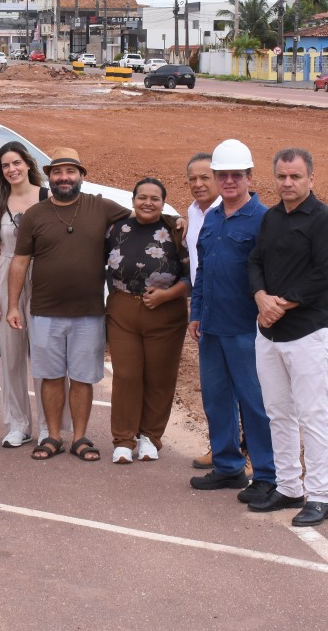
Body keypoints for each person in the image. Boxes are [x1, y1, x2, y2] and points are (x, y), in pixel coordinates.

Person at [7, 148, 129, 462]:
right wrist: (12, 305)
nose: (64, 177)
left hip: (88, 311)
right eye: (58, 172)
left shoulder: (100, 207)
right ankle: (52, 437)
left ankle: (80, 437)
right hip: (45, 310)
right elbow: (20, 262)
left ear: (81, 176)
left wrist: (176, 221)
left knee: (82, 377)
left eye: (70, 171)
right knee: (50, 376)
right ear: (49, 177)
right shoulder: (35, 214)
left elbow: (140, 218)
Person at [248, 147, 328, 527]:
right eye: (282, 177)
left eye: (295, 177)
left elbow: (322, 276)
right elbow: (254, 261)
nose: (287, 183)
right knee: (278, 413)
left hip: (308, 333)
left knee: (312, 416)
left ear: (311, 179)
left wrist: (280, 305)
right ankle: (289, 487)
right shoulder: (271, 218)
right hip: (269, 334)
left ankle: (320, 496)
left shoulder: (326, 222)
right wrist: (260, 298)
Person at [187, 140, 278, 507]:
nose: (228, 181)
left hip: (247, 330)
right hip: (211, 326)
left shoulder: (263, 219)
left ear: (249, 177)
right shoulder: (211, 217)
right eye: (222, 175)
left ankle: (267, 475)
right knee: (216, 399)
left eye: (235, 175)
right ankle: (228, 466)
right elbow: (204, 269)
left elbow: (272, 273)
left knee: (255, 403)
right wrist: (196, 313)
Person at [104, 177, 191, 464]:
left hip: (165, 313)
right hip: (123, 310)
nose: (148, 202)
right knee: (127, 375)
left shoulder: (176, 231)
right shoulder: (117, 229)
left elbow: (193, 277)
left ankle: (150, 438)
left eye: (155, 198)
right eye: (142, 197)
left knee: (159, 378)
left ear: (163, 203)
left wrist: (166, 296)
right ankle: (123, 440)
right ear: (133, 200)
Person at [0, 141, 66, 448]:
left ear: (27, 164)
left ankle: (49, 425)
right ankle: (18, 423)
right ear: (0, 171)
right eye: (5, 165)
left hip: (42, 277)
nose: (12, 169)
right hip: (7, 276)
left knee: (45, 354)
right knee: (12, 355)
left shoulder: (48, 197)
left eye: (16, 163)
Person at [183, 151, 223, 470]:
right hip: (205, 308)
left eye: (204, 177)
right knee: (213, 386)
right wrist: (195, 310)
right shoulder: (193, 213)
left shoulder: (232, 211)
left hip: (235, 311)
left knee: (243, 385)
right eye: (192, 179)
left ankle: (248, 453)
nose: (198, 184)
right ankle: (220, 448)